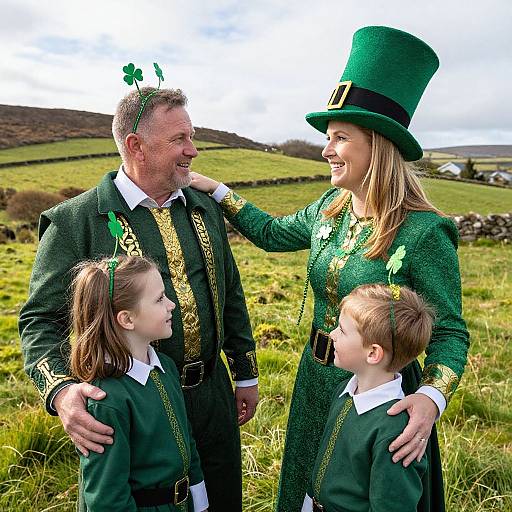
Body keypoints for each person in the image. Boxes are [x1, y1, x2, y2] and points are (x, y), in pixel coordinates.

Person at [190, 26, 469, 511]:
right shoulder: (330, 208)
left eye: (340, 137)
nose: (325, 150)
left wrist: (430, 400)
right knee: (307, 490)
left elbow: (450, 333)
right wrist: (218, 191)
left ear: (377, 145)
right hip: (316, 379)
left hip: (380, 398)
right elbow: (274, 234)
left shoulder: (424, 233)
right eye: (328, 138)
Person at [19, 78, 259, 511]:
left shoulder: (203, 206)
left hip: (215, 397)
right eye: (179, 139)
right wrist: (60, 391)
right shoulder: (76, 221)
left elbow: (230, 293)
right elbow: (39, 321)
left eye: (193, 136)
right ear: (136, 145)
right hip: (135, 409)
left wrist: (245, 374)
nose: (193, 149)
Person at [71, 255, 208, 511]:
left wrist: (200, 503)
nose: (172, 305)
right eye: (159, 299)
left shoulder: (164, 366)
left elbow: (186, 440)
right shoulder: (108, 400)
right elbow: (106, 498)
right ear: (127, 319)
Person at [302, 281, 434, 512]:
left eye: (342, 330)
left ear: (373, 353)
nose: (331, 335)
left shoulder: (395, 431)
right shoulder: (346, 391)